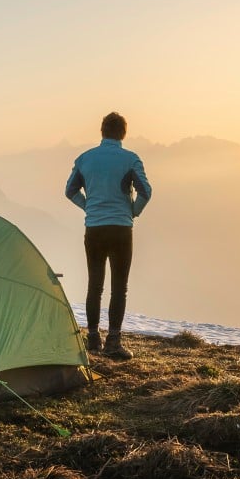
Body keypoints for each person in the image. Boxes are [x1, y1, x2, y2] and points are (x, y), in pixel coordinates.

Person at [65, 112, 152, 360]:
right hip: (121, 229)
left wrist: (89, 206)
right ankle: (113, 342)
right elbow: (146, 191)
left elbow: (69, 190)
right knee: (119, 288)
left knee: (95, 285)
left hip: (94, 228)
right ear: (123, 133)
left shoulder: (85, 159)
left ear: (102, 131)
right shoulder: (130, 159)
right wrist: (132, 211)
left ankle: (93, 339)